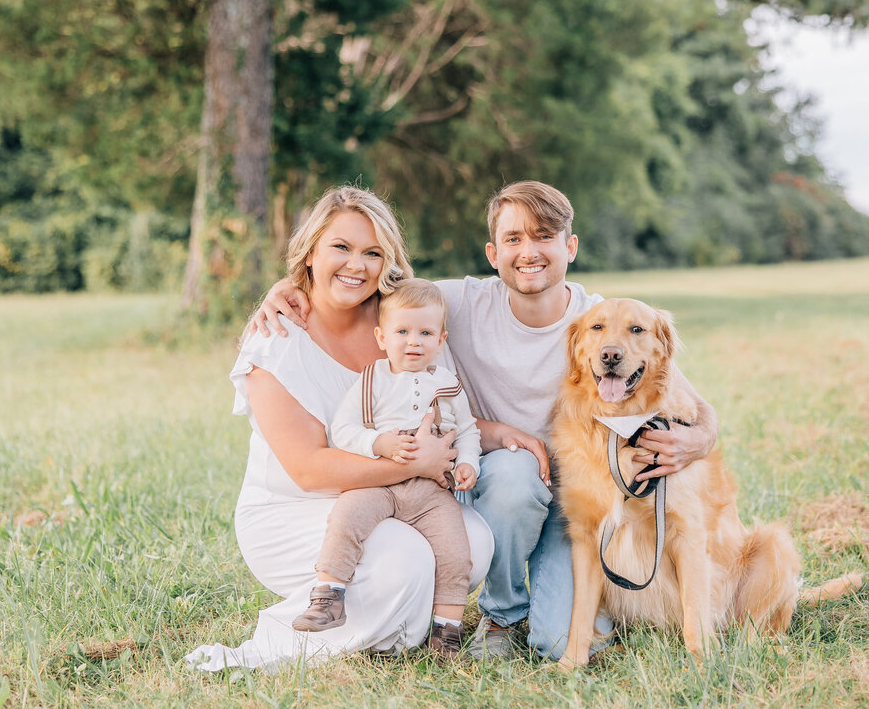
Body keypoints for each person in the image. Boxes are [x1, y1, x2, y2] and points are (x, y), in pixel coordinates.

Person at [253, 181, 717, 661]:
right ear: (493, 253)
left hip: (578, 501)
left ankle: (583, 606)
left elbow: (695, 403)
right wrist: (292, 285)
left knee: (559, 643)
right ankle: (502, 614)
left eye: (544, 236)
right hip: (502, 485)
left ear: (570, 247)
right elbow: (379, 292)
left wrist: (699, 439)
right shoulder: (460, 302)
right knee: (514, 475)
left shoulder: (599, 320)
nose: (529, 252)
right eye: (514, 239)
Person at [185, 187, 493, 672]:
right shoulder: (277, 339)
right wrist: (411, 462)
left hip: (402, 496)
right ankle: (300, 636)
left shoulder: (404, 322)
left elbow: (447, 413)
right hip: (294, 508)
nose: (357, 265)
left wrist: (505, 436)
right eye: (341, 247)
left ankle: (394, 626)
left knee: (474, 541)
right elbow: (309, 470)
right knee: (407, 560)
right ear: (310, 252)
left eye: (373, 253)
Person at [293, 278, 481, 659]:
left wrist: (467, 461)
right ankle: (328, 594)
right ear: (382, 337)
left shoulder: (448, 385)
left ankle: (446, 631)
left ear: (441, 340)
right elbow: (342, 429)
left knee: (456, 550)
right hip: (377, 480)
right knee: (347, 516)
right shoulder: (371, 380)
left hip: (431, 492)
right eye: (402, 332)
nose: (414, 342)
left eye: (425, 333)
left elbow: (469, 430)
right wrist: (377, 443)